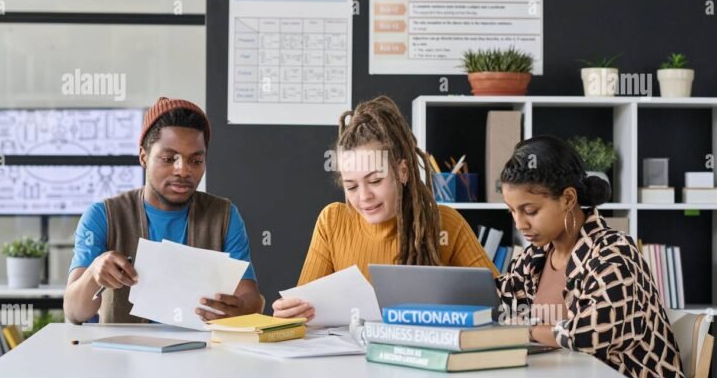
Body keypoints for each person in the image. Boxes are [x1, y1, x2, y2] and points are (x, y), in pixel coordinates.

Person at [496, 135, 687, 378]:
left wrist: (523, 331)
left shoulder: (615, 253)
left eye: (530, 211)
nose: (520, 223)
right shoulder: (531, 259)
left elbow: (589, 333)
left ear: (568, 198)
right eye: (512, 211)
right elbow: (499, 306)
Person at [273, 95, 498, 321]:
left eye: (375, 181)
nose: (364, 197)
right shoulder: (332, 222)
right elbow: (304, 312)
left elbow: (501, 304)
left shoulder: (445, 223)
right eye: (351, 186)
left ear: (402, 172)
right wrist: (290, 314)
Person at [64, 97, 262, 324]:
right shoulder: (103, 216)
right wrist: (93, 273)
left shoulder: (225, 217)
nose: (183, 170)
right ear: (144, 157)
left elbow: (250, 297)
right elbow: (74, 311)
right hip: (122, 355)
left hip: (202, 355)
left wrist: (241, 309)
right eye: (169, 159)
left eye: (196, 161)